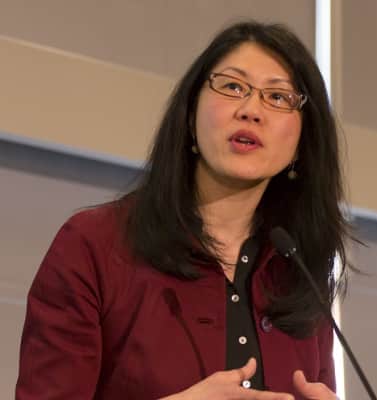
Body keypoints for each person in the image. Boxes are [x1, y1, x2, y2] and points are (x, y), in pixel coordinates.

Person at [16, 21, 351, 400]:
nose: (251, 110)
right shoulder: (93, 245)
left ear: (302, 141)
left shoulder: (300, 273)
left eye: (277, 97)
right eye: (232, 87)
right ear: (191, 114)